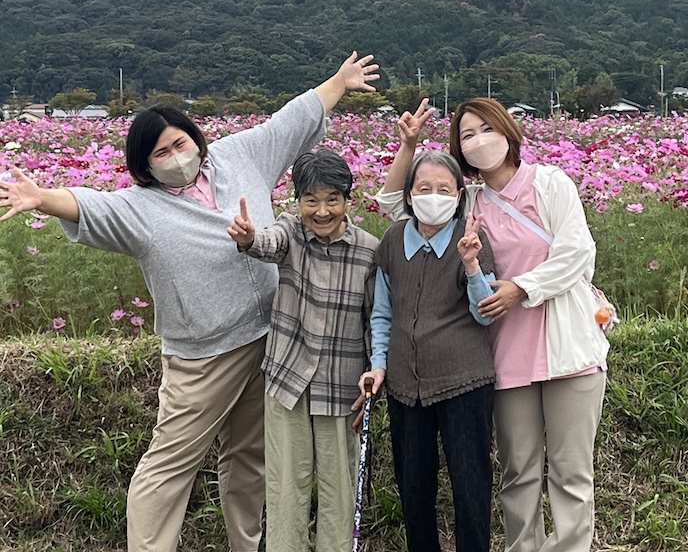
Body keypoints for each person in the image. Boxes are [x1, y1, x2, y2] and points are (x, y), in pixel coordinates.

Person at [0, 52, 379, 552]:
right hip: (203, 355)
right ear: (144, 165)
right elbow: (90, 203)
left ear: (196, 140)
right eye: (161, 153)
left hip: (270, 339)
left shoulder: (239, 156)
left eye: (181, 142)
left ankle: (248, 544)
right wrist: (43, 198)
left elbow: (290, 121)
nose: (176, 155)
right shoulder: (140, 209)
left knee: (248, 455)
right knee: (170, 463)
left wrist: (338, 82)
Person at [376, 98, 609, 552]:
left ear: (508, 131)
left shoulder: (550, 184)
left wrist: (521, 288)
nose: (479, 140)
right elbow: (392, 205)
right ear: (460, 152)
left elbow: (576, 252)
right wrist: (408, 146)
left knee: (571, 472)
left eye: (487, 128)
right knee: (517, 471)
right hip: (507, 354)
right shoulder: (469, 202)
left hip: (568, 347)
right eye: (467, 135)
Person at [226, 148, 379, 552]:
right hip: (287, 380)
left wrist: (372, 380)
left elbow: (375, 321)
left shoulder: (369, 250)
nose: (322, 211)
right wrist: (249, 238)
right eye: (311, 200)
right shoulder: (290, 232)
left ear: (349, 199)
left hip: (342, 388)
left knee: (339, 492)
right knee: (285, 488)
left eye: (332, 199)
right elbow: (268, 243)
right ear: (298, 202)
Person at [358, 149, 497, 552]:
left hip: (464, 381)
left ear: (458, 195)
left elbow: (485, 315)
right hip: (405, 385)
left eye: (444, 189)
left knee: (470, 483)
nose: (433, 196)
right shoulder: (391, 241)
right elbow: (382, 313)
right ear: (409, 194)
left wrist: (470, 266)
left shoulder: (470, 240)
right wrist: (379, 365)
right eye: (424, 188)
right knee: (413, 484)